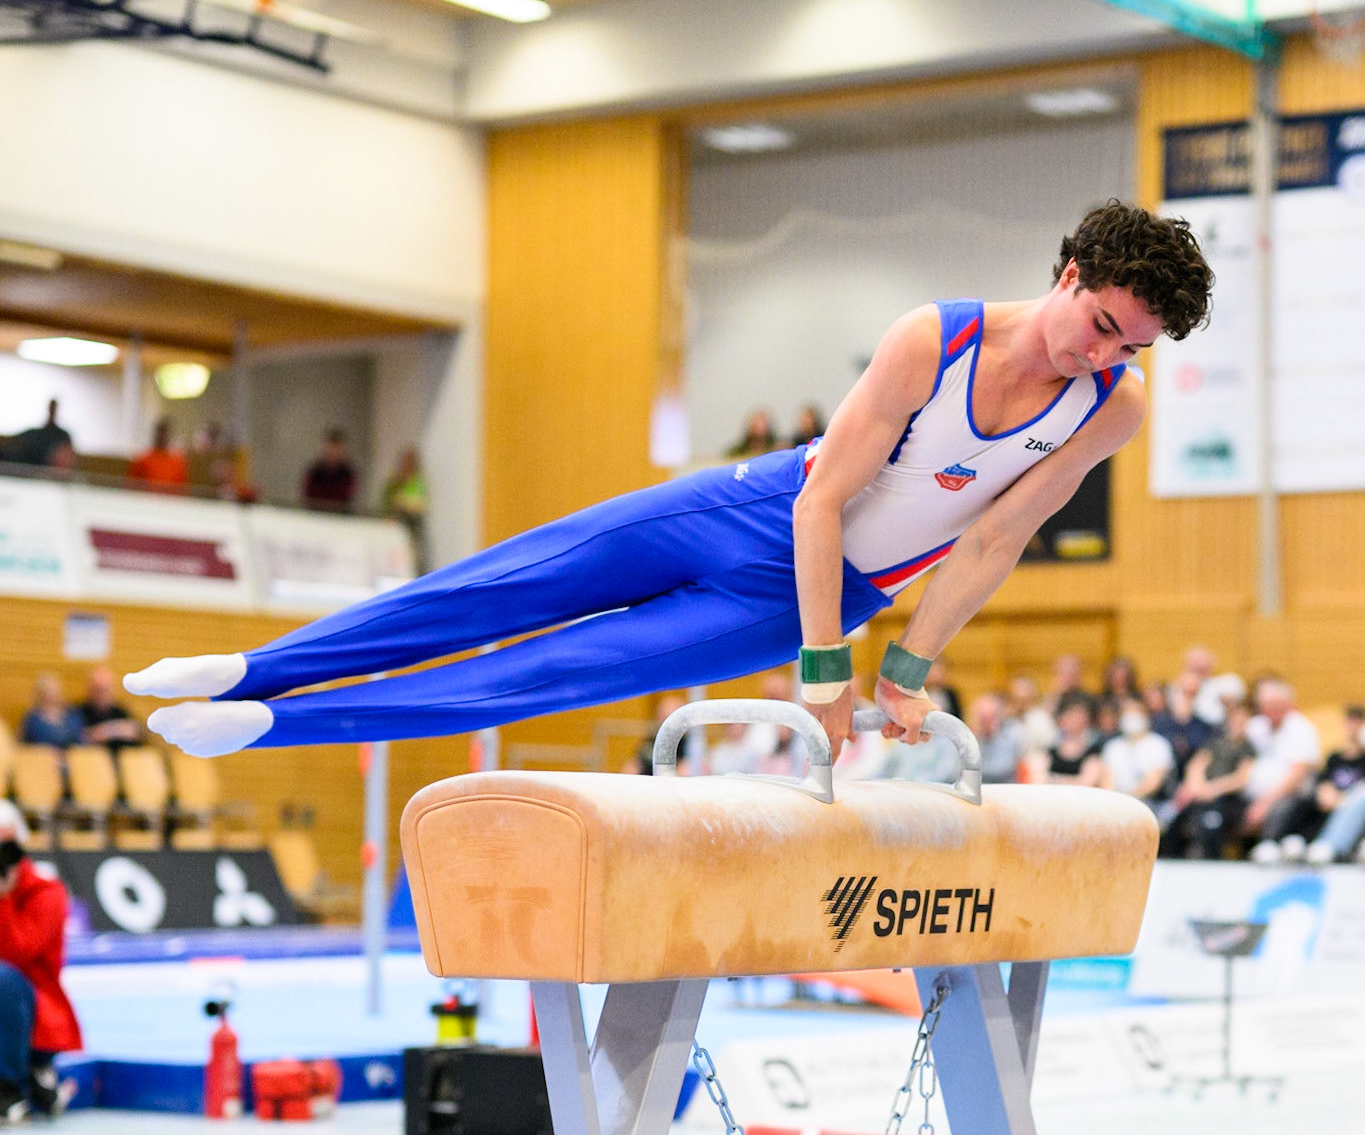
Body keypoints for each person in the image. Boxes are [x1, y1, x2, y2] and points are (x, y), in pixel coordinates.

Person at [123, 201, 1214, 761]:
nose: (1103, 354)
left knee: (549, 675)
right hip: (748, 514)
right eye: (1102, 323)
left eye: (1132, 347)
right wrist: (826, 666)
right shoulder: (936, 334)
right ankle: (252, 667)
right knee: (503, 587)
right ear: (1071, 274)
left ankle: (274, 726)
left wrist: (905, 667)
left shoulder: (1109, 409)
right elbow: (825, 497)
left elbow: (992, 540)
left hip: (807, 598)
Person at [0, 802, 81, 1122]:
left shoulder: (47, 893)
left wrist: (3, 899)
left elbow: (17, 953)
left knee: (2, 978)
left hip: (37, 1013)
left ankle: (10, 1088)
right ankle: (36, 1082)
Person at [1165, 700, 1256, 859]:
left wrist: (1212, 789)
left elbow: (1241, 778)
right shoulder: (1216, 741)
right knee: (1173, 823)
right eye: (1235, 719)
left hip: (1226, 798)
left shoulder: (1247, 747)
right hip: (1201, 794)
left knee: (1210, 826)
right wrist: (1196, 786)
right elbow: (1196, 765)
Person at [1243, 679, 1322, 862]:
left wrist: (1265, 803)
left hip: (1288, 796)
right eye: (1267, 705)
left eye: (1277, 704)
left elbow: (1297, 775)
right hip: (1251, 797)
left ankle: (1270, 845)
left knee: (1282, 809)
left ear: (1289, 704)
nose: (1272, 709)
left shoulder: (1301, 728)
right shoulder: (1254, 726)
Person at [1306, 707, 1365, 864]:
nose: (1353, 728)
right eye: (1350, 723)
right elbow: (1324, 783)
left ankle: (1331, 845)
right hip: (1334, 806)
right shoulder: (1335, 757)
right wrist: (1326, 792)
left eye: (1358, 723)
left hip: (1354, 805)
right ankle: (1295, 841)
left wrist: (1345, 799)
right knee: (1307, 798)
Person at [1098, 702, 1175, 813]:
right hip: (1116, 805)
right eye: (1127, 714)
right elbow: (1106, 781)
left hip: (1150, 804)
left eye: (1135, 713)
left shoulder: (1159, 744)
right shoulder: (1112, 747)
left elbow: (1154, 782)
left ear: (1145, 717)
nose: (1131, 718)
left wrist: (1130, 800)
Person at [1027, 693, 1103, 785]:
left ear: (1087, 721)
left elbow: (1086, 783)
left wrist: (1053, 779)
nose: (1075, 721)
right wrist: (1073, 780)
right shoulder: (1050, 751)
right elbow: (1038, 779)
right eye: (1070, 716)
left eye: (1080, 716)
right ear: (1061, 719)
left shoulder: (1093, 752)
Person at [382, 446, 430, 573]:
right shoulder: (393, 482)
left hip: (412, 528)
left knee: (413, 561)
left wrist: (403, 502)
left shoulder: (416, 482)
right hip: (395, 526)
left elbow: (421, 504)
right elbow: (386, 504)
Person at [1, 398, 75, 471]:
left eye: (54, 408)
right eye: (51, 408)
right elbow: (14, 440)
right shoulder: (34, 434)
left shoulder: (62, 436)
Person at [968, 692, 1025, 784]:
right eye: (982, 718)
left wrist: (990, 738)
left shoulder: (1011, 735)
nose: (985, 723)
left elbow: (1003, 768)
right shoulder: (967, 739)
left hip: (1004, 791)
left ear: (999, 717)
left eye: (989, 718)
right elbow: (955, 771)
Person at [78, 665, 141, 746]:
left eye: (105, 690)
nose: (101, 694)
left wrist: (106, 731)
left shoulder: (120, 711)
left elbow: (135, 731)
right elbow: (82, 736)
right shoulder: (79, 711)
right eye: (98, 689)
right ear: (90, 689)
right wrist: (119, 729)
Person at [19, 673, 81, 750]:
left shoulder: (72, 713)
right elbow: (24, 745)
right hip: (42, 758)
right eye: (48, 690)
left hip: (73, 756)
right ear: (40, 693)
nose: (53, 693)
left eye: (55, 688)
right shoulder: (32, 718)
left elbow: (80, 738)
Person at [301, 428, 357, 512]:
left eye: (336, 449)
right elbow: (309, 496)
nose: (333, 452)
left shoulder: (347, 473)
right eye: (330, 448)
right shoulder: (315, 471)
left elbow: (345, 497)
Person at [130, 419, 189, 491]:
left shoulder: (178, 463)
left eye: (166, 434)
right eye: (161, 433)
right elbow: (131, 488)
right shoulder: (142, 460)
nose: (163, 437)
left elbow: (182, 491)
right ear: (156, 435)